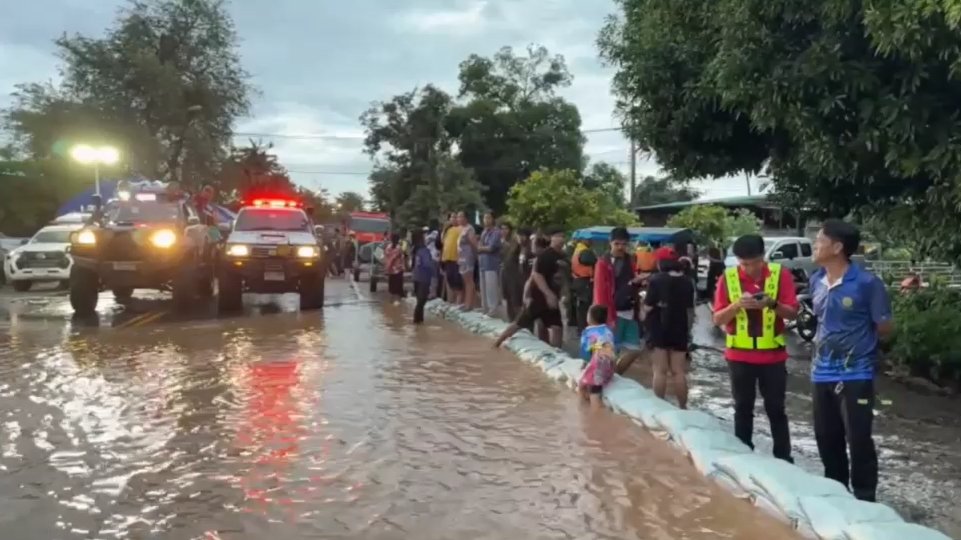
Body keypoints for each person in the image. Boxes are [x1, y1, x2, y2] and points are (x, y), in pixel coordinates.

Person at [809, 220, 893, 502]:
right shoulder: (816, 280)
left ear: (837, 247)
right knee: (826, 437)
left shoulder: (868, 284)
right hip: (821, 372)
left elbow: (883, 326)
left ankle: (865, 498)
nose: (815, 244)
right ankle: (836, 494)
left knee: (858, 438)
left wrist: (856, 341)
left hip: (856, 373)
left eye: (819, 240)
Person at [713, 234, 799, 462]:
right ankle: (743, 456)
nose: (749, 269)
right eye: (744, 264)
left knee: (776, 410)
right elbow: (718, 319)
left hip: (773, 357)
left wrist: (771, 303)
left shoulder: (781, 275)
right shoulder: (728, 278)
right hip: (739, 357)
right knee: (742, 408)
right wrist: (736, 305)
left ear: (764, 257)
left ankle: (783, 457)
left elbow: (792, 313)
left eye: (753, 263)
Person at [493, 228, 566, 349]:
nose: (561, 239)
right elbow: (536, 275)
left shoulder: (562, 256)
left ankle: (557, 351)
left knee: (557, 327)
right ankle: (497, 343)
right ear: (551, 238)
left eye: (563, 236)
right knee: (519, 323)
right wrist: (545, 294)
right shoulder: (546, 255)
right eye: (558, 236)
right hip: (538, 297)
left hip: (552, 297)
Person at [643, 254, 695, 409]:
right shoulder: (687, 282)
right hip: (680, 328)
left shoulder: (656, 280)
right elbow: (690, 310)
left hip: (658, 327)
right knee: (678, 371)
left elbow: (647, 307)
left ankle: (659, 407)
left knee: (660, 371)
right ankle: (683, 407)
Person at [594, 227, 645, 374]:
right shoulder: (603, 263)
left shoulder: (631, 260)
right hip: (612, 312)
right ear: (610, 243)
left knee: (635, 350)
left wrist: (638, 282)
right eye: (617, 244)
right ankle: (602, 379)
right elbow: (600, 292)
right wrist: (606, 317)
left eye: (623, 244)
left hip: (629, 310)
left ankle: (614, 374)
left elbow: (633, 282)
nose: (620, 247)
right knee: (606, 351)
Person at [578, 304, 617, 409]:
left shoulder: (587, 332)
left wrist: (584, 365)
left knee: (587, 387)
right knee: (596, 384)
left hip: (598, 362)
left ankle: (592, 412)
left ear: (590, 317)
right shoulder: (608, 331)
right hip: (610, 362)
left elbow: (585, 352)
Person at [478, 212, 503, 315]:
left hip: (492, 263)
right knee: (483, 286)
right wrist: (481, 248)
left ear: (493, 219)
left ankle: (493, 309)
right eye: (485, 218)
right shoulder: (484, 232)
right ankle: (485, 307)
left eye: (488, 218)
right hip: (483, 262)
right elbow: (481, 246)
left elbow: (491, 248)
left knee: (491, 287)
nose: (486, 220)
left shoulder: (496, 232)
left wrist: (480, 248)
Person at [569, 240, 596, 333]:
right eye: (590, 240)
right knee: (586, 306)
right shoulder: (585, 251)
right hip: (585, 281)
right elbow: (590, 261)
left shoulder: (577, 250)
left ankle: (581, 328)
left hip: (577, 280)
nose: (592, 242)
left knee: (580, 307)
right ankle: (584, 328)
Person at [500, 222, 524, 321]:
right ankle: (511, 319)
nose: (504, 231)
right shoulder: (502, 241)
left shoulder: (515, 241)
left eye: (506, 228)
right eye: (502, 229)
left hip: (515, 272)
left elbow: (518, 253)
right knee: (507, 296)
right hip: (505, 271)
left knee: (515, 298)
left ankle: (518, 321)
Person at [411, 230, 435, 324]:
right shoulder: (424, 250)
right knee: (421, 301)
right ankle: (417, 321)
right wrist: (434, 270)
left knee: (419, 300)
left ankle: (419, 321)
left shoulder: (415, 249)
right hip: (424, 278)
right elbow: (427, 264)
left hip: (416, 277)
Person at [456, 211, 478, 310]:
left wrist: (475, 256)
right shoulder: (461, 229)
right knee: (465, 280)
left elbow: (474, 244)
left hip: (468, 256)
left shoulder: (469, 229)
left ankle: (469, 304)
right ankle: (466, 302)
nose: (458, 219)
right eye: (458, 217)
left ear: (466, 218)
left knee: (469, 281)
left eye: (460, 216)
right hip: (461, 256)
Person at [441, 212, 462, 304]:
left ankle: (459, 302)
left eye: (455, 217)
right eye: (452, 217)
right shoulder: (448, 230)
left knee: (458, 283)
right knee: (450, 281)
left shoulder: (460, 229)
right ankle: (452, 301)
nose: (453, 219)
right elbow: (442, 241)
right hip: (447, 259)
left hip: (456, 259)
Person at [384, 233, 405, 304]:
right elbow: (401, 258)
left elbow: (387, 258)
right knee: (398, 288)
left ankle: (391, 303)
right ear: (398, 240)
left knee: (392, 288)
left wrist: (388, 267)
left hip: (391, 270)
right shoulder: (399, 248)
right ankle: (397, 304)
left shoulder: (388, 247)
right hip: (398, 270)